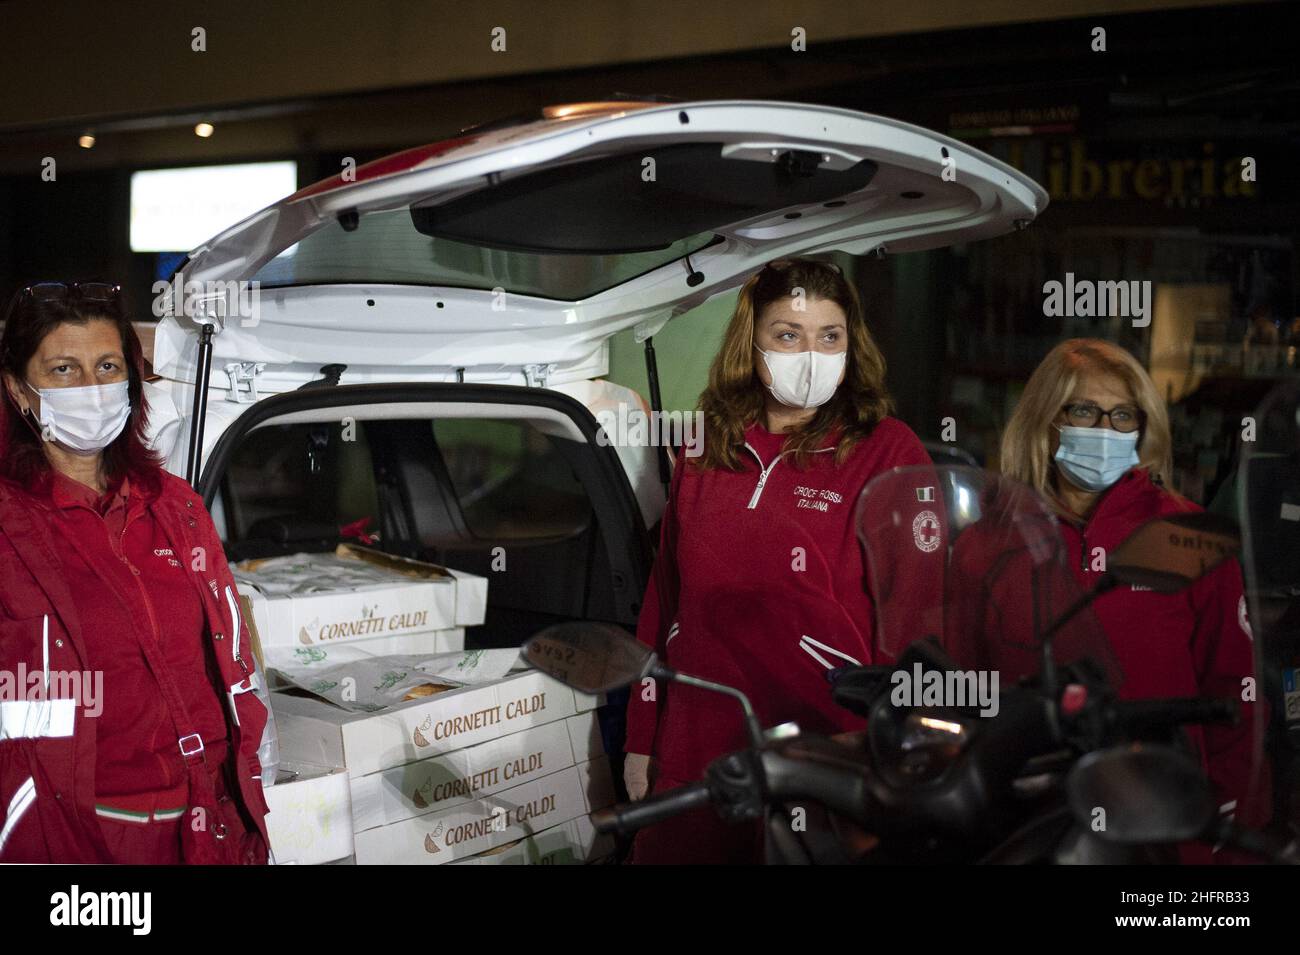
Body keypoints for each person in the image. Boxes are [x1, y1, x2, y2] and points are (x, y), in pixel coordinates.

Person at [623, 258, 933, 864]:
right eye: (788, 334)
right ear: (753, 341)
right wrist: (642, 737)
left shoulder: (888, 449)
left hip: (822, 751)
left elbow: (918, 614)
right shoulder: (706, 441)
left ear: (851, 344)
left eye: (829, 336)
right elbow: (664, 603)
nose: (810, 353)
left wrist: (901, 747)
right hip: (694, 744)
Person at [0, 281, 271, 863]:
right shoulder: (8, 527)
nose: (93, 389)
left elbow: (232, 660)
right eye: (64, 370)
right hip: (79, 837)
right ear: (20, 390)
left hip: (209, 823)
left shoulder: (176, 506)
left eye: (106, 365)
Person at [1000, 338, 1269, 860]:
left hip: (1160, 826)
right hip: (1027, 827)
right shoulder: (993, 535)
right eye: (1083, 410)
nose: (1104, 431)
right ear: (1045, 417)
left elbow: (1237, 699)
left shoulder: (1188, 537)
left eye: (1123, 415)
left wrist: (1230, 842)